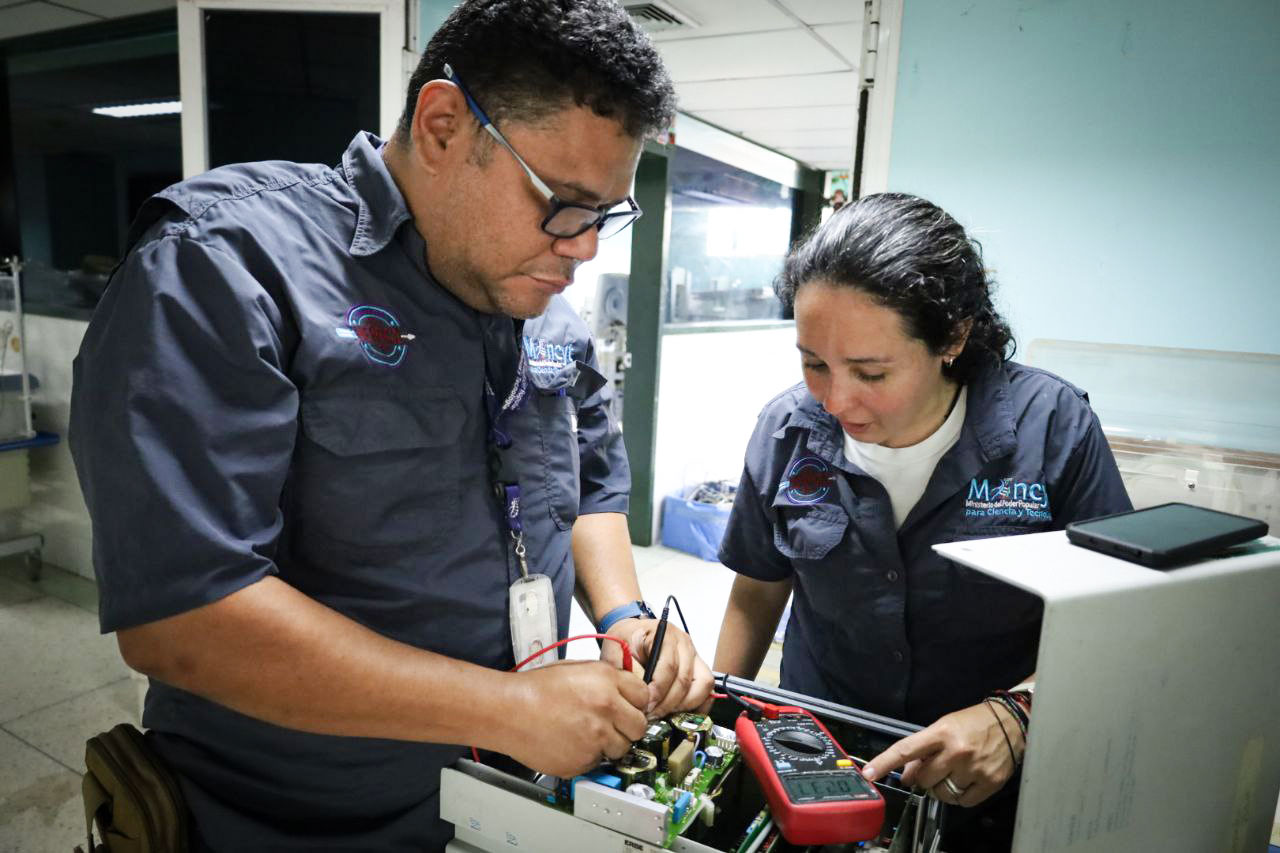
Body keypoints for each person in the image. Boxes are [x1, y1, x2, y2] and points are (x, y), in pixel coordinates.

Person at [68, 1, 712, 849]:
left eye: (604, 215)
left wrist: (624, 612)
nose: (584, 248)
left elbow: (587, 482)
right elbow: (184, 617)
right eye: (563, 202)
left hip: (509, 792)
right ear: (444, 126)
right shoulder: (223, 267)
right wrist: (507, 706)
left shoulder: (541, 294)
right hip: (298, 816)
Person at [712, 192, 1132, 851]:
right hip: (820, 765)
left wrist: (1019, 715)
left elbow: (1118, 622)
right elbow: (758, 589)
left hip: (986, 785)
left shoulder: (1052, 429)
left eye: (871, 371)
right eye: (813, 362)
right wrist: (716, 727)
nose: (837, 400)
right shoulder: (786, 430)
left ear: (952, 339)